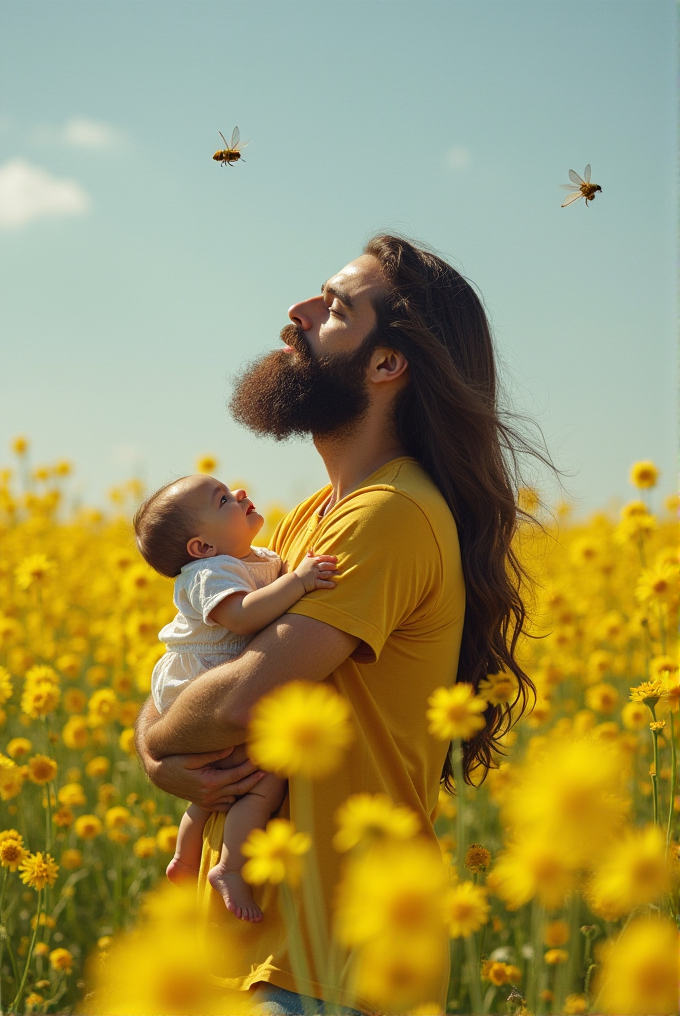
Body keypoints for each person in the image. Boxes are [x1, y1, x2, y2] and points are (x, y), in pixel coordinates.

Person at [134, 235, 539, 1015]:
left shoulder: (385, 516)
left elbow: (237, 700)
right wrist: (159, 747)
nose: (299, 311)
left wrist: (155, 745)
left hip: (335, 961)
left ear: (387, 365)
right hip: (279, 950)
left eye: (336, 308)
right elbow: (200, 665)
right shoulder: (315, 519)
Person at [133, 472, 338, 922]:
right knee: (261, 779)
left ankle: (186, 857)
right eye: (223, 499)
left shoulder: (254, 557)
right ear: (201, 547)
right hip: (199, 684)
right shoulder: (209, 573)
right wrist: (299, 582)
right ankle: (230, 866)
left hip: (211, 684)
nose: (240, 493)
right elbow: (244, 617)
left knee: (215, 783)